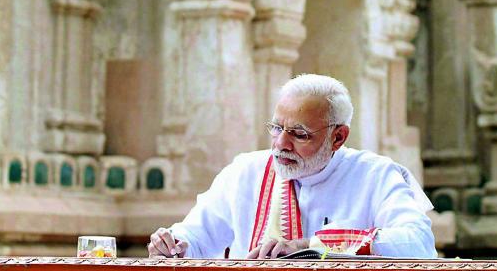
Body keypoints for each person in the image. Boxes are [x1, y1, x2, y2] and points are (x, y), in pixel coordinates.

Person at [148, 74, 436, 259]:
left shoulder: (375, 175)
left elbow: (419, 244)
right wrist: (174, 244)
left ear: (338, 137)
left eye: (299, 134)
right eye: (276, 128)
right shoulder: (245, 172)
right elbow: (195, 238)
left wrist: (311, 247)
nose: (280, 144)